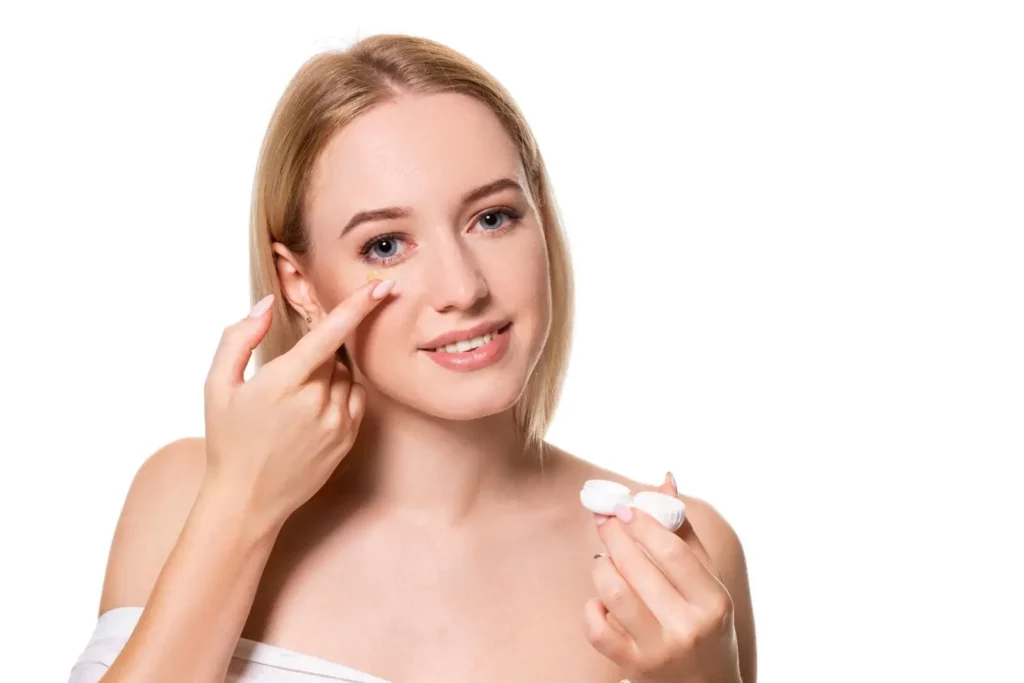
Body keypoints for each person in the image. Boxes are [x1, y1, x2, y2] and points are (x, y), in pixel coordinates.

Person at [68, 34, 756, 683]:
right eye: (386, 245)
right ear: (298, 282)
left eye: (492, 218)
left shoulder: (672, 557)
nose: (463, 289)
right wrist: (240, 509)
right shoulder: (186, 493)